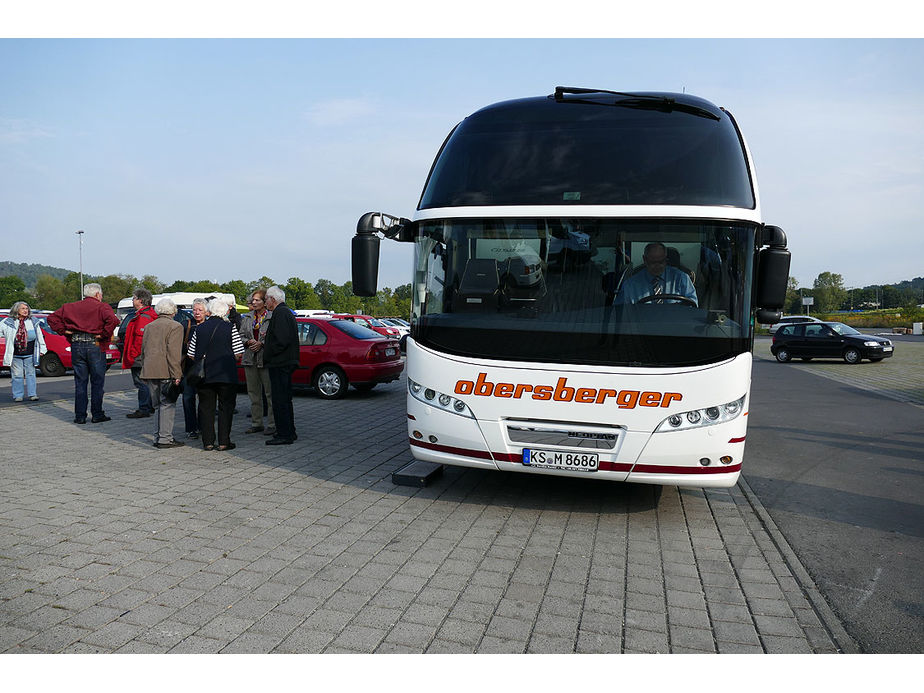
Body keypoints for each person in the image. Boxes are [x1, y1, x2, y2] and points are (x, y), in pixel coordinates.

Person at [47, 282, 120, 424]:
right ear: (98, 294)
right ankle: (97, 414)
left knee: (80, 382)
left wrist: (64, 330)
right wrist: (104, 334)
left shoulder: (69, 307)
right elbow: (113, 320)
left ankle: (80, 416)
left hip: (77, 345)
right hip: (95, 345)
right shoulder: (102, 307)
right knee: (97, 382)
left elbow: (51, 319)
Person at [186, 297, 244, 451]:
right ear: (225, 312)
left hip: (205, 375)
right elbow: (239, 353)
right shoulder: (230, 327)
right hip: (226, 374)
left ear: (210, 311)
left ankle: (208, 442)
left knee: (206, 408)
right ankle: (224, 441)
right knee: (226, 407)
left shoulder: (199, 329)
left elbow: (191, 354)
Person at [139, 298, 185, 448]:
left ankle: (158, 437)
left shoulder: (149, 326)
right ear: (173, 311)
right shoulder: (175, 326)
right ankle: (165, 438)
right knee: (168, 404)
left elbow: (143, 350)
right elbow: (173, 353)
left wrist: (144, 370)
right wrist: (177, 374)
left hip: (150, 370)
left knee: (158, 405)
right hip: (166, 370)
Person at [263, 285, 299, 446]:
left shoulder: (281, 313)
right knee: (283, 399)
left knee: (280, 400)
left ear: (273, 299)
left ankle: (285, 433)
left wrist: (268, 353)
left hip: (280, 363)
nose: (265, 302)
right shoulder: (284, 312)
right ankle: (288, 431)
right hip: (282, 362)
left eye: (266, 299)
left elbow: (282, 340)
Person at [614, 241, 698, 306]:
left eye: (661, 262)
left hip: (676, 326)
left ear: (666, 260)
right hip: (641, 327)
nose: (657, 266)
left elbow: (692, 308)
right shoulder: (630, 285)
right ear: (645, 260)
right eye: (653, 262)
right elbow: (620, 313)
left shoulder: (682, 279)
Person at [239, 289, 275, 436]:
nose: (253, 302)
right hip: (249, 359)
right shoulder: (247, 317)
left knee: (269, 393)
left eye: (257, 300)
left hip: (265, 359)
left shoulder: (272, 317)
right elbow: (240, 335)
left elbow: (274, 337)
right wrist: (248, 341)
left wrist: (262, 343)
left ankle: (272, 424)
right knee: (253, 394)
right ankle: (257, 423)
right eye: (252, 300)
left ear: (264, 302)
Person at [122, 288, 158, 419]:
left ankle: (144, 408)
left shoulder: (143, 318)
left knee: (141, 382)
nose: (132, 300)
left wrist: (132, 355)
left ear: (140, 301)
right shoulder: (150, 314)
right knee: (148, 382)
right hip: (148, 356)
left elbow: (139, 340)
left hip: (140, 357)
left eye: (134, 298)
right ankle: (150, 406)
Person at [1, 301, 47, 402]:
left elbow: (39, 335)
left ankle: (32, 394)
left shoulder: (33, 321)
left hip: (30, 353)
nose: (25, 311)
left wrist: (43, 349)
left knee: (31, 374)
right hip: (15, 354)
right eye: (23, 309)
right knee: (17, 375)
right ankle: (18, 395)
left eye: (26, 309)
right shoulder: (8, 321)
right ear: (16, 310)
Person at [180, 297, 209, 439]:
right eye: (195, 310)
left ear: (206, 311)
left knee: (204, 399)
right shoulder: (187, 325)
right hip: (189, 369)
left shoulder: (210, 325)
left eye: (200, 310)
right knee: (188, 398)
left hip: (205, 368)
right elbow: (178, 346)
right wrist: (187, 347)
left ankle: (203, 426)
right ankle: (191, 428)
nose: (197, 312)